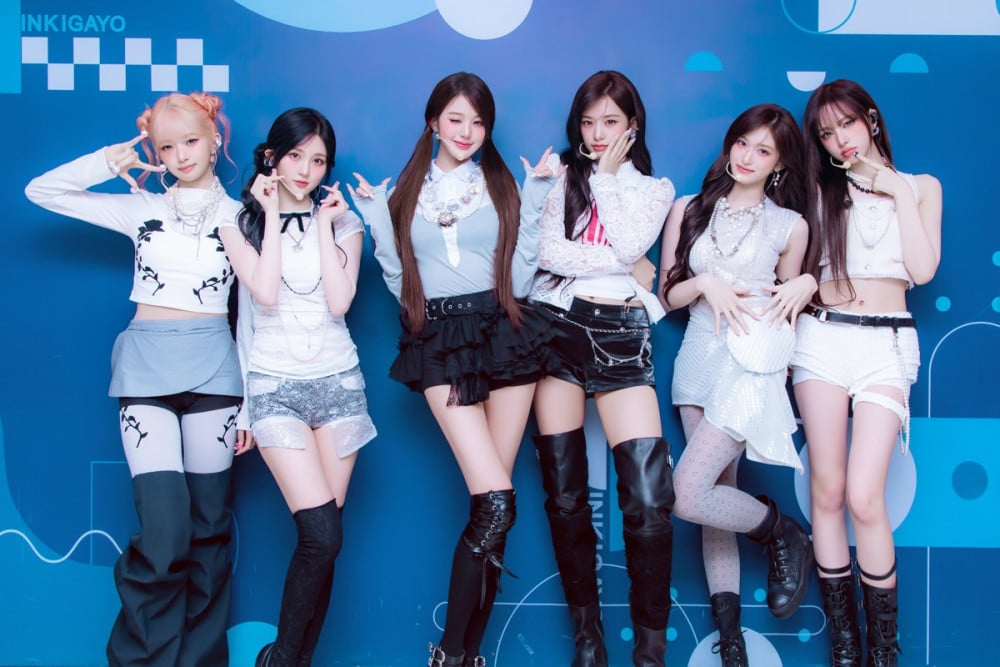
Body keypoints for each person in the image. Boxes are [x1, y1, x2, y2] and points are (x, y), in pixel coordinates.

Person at [24, 92, 244, 666]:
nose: (181, 155)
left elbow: (262, 311)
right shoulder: (141, 208)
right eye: (166, 147)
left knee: (209, 529)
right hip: (146, 368)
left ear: (215, 139)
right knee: (166, 530)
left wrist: (253, 404)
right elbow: (41, 191)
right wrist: (107, 161)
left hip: (218, 372)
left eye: (191, 140)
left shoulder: (243, 215)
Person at [348, 72, 552, 667]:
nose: (467, 132)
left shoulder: (501, 185)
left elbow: (521, 276)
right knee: (496, 502)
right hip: (439, 340)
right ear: (433, 121)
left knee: (493, 510)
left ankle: (463, 657)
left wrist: (538, 197)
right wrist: (376, 217)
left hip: (505, 336)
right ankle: (451, 656)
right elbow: (399, 283)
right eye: (456, 119)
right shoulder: (405, 194)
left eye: (478, 122)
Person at [525, 70, 676, 667]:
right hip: (555, 328)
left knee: (648, 496)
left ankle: (650, 653)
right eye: (588, 123)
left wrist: (609, 182)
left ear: (632, 126)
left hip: (620, 336)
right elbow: (544, 252)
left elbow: (633, 242)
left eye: (610, 122)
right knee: (564, 493)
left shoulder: (655, 190)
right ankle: (588, 642)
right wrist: (617, 259)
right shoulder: (559, 177)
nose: (596, 134)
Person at [658, 103, 817, 667]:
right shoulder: (689, 208)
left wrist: (806, 281)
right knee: (710, 499)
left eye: (763, 150)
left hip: (749, 368)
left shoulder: (789, 225)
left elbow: (790, 305)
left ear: (779, 164)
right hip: (697, 360)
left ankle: (781, 530)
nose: (747, 156)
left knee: (686, 494)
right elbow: (667, 295)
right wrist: (704, 281)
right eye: (742, 143)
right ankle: (732, 644)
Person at [219, 108, 377, 667]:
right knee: (322, 536)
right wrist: (244, 409)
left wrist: (326, 226)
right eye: (295, 156)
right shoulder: (238, 223)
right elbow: (256, 307)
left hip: (339, 387)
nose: (306, 170)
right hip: (275, 388)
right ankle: (280, 659)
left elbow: (339, 302)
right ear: (272, 158)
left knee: (325, 543)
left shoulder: (344, 223)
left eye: (318, 160)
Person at [795, 80, 941, 667]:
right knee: (827, 491)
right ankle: (845, 648)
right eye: (826, 133)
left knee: (864, 495)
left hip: (886, 344)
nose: (840, 140)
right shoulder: (818, 190)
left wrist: (894, 188)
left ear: (871, 120)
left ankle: (884, 650)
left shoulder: (922, 187)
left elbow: (923, 271)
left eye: (847, 125)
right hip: (822, 340)